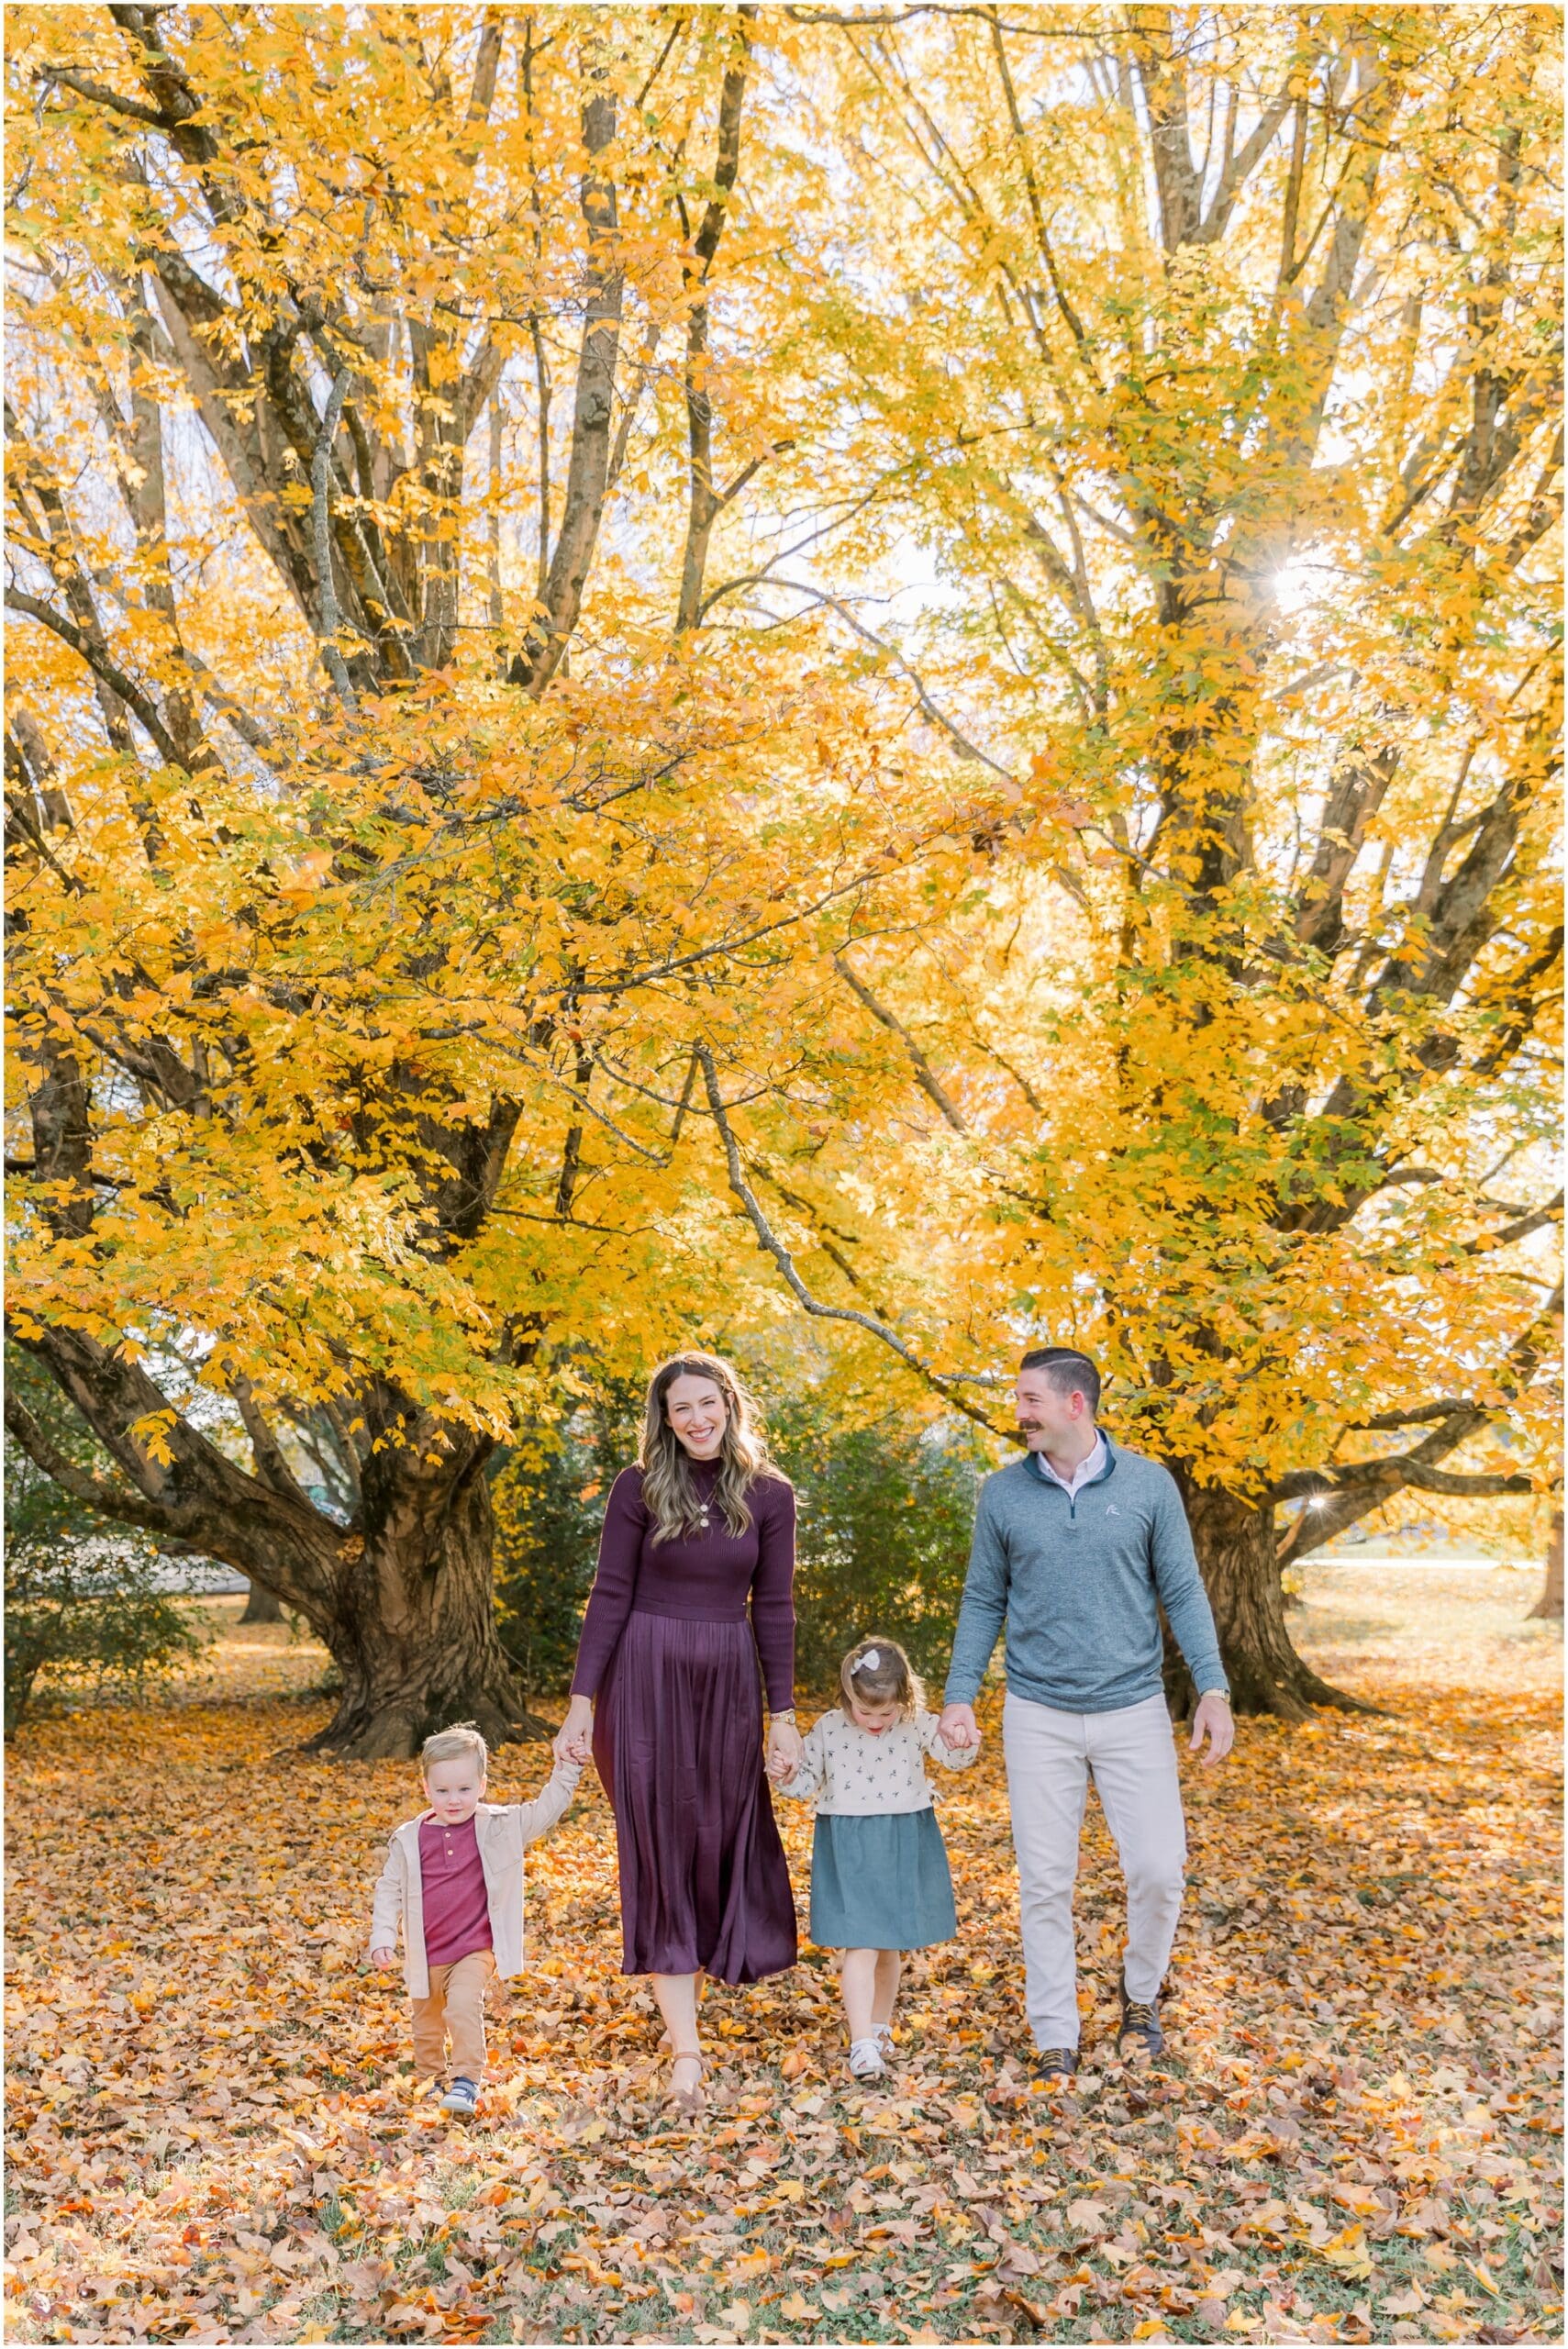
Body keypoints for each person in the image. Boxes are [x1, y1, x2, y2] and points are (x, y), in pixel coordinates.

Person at [938, 1347, 1234, 2082]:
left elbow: (1185, 1592)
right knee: (1043, 1880)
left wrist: (1213, 1688)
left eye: (1030, 1400)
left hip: (1132, 1708)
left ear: (1076, 1404)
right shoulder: (1002, 1495)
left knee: (1159, 1869)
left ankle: (1139, 1998)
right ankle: (1054, 2033)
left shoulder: (1147, 1486)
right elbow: (982, 1598)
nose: (1018, 1412)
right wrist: (958, 1693)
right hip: (1037, 1712)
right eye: (1016, 1399)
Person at [554, 1352, 803, 2117]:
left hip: (726, 1683)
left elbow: (775, 1607)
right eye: (680, 1409)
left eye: (708, 1404)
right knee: (660, 1852)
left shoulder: (769, 1494)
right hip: (643, 1683)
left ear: (731, 1404)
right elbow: (610, 1596)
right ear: (663, 1419)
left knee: (715, 1844)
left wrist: (783, 1715)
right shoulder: (638, 1487)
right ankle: (687, 2051)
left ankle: (688, 2009)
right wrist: (580, 1703)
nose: (696, 1420)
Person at [777, 1635, 975, 2079]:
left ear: (902, 1700)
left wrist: (962, 1739)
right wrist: (787, 1772)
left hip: (904, 1835)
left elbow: (954, 1758)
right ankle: (861, 2041)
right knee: (861, 1944)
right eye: (864, 1711)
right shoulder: (829, 1727)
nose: (874, 1721)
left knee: (889, 1944)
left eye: (885, 1712)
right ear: (847, 1696)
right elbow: (804, 1782)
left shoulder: (914, 1722)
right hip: (849, 1842)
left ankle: (880, 2027)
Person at [368, 1720, 581, 2118]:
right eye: (443, 1791)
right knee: (427, 2023)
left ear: (481, 1785)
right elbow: (389, 1887)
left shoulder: (499, 1827)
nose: (454, 1800)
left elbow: (546, 1809)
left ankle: (466, 2080)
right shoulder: (410, 1838)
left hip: (474, 1949)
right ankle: (431, 2081)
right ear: (426, 1789)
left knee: (463, 2005)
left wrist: (567, 1768)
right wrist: (383, 1934)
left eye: (465, 1789)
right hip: (426, 1953)